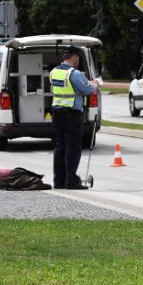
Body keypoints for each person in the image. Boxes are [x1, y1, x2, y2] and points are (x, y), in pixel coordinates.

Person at [49, 45, 98, 190]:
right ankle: (71, 181)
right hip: (71, 113)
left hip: (57, 112)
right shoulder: (74, 74)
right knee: (73, 147)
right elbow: (88, 89)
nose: (78, 62)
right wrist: (94, 84)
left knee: (60, 146)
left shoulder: (53, 72)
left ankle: (59, 180)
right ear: (75, 57)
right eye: (78, 59)